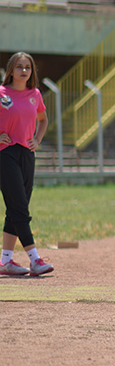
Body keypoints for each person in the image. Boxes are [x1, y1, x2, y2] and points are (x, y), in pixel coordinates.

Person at [0, 52, 53, 277]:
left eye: (28, 67)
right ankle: (34, 259)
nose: (24, 70)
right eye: (19, 66)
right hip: (5, 153)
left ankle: (5, 262)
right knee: (20, 207)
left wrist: (37, 139)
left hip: (26, 154)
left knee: (15, 209)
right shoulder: (1, 93)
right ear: (11, 70)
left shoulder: (35, 94)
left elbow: (43, 119)